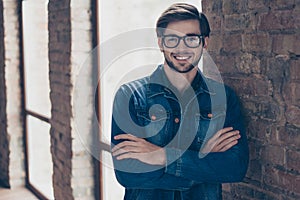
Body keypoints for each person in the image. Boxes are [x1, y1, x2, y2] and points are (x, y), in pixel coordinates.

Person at [111, 3, 249, 200]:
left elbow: (234, 169)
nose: (181, 48)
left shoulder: (223, 98)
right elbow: (128, 174)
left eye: (191, 39)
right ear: (161, 43)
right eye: (172, 39)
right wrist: (202, 159)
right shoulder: (129, 96)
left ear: (205, 42)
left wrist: (161, 156)